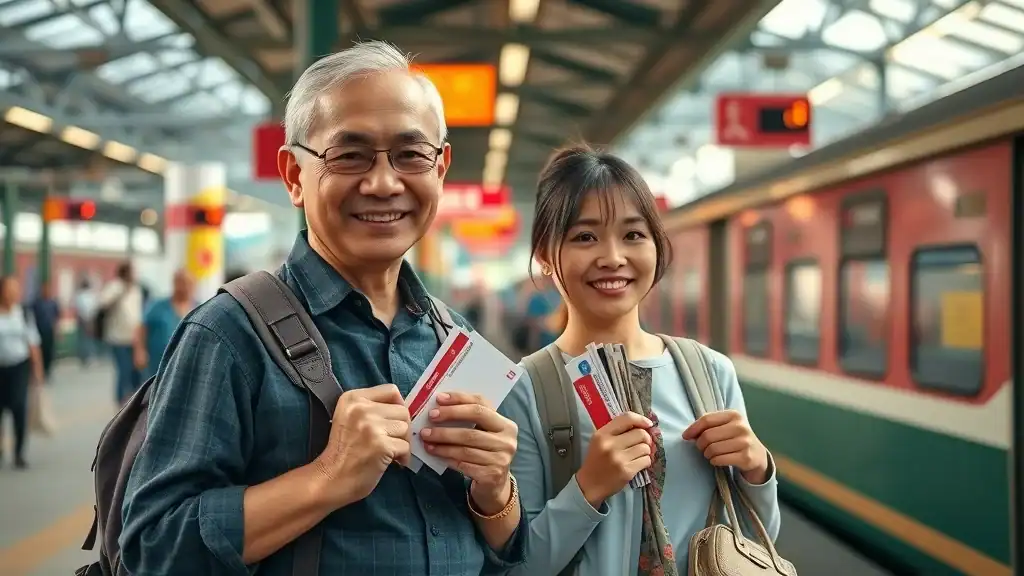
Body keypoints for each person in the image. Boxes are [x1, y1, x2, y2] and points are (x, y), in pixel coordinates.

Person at [120, 40, 527, 575]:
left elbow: (500, 554)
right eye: (350, 154)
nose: (383, 183)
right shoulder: (227, 335)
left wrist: (495, 491)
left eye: (410, 154)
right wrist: (327, 477)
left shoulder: (452, 337)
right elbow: (154, 547)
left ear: (440, 167)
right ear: (293, 176)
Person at [498, 146, 781, 575]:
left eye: (633, 235)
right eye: (584, 237)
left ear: (656, 246)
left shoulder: (709, 373)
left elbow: (757, 544)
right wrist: (588, 488)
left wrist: (758, 470)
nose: (613, 257)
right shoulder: (525, 388)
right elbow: (520, 567)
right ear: (544, 253)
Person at [0, 275, 44, 469]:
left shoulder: (24, 313)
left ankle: (18, 452)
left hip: (18, 367)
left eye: (16, 288)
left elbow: (33, 341)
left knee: (19, 408)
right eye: (10, 288)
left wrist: (38, 369)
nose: (14, 292)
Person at [134, 269, 195, 382]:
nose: (185, 287)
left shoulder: (199, 308)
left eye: (188, 283)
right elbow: (141, 328)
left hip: (187, 364)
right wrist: (140, 351)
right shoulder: (158, 306)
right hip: (158, 362)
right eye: (181, 282)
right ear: (174, 283)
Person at [98, 261, 144, 405]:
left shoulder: (136, 290)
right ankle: (120, 402)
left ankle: (134, 401)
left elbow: (138, 313)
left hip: (134, 338)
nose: (134, 275)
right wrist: (121, 292)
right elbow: (103, 303)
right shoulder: (115, 286)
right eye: (132, 272)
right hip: (117, 338)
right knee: (123, 370)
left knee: (136, 372)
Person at [30, 282, 60, 382]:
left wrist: (57, 331)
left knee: (49, 351)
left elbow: (56, 318)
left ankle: (48, 370)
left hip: (49, 331)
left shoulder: (53, 303)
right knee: (41, 351)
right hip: (39, 331)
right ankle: (40, 371)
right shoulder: (37, 303)